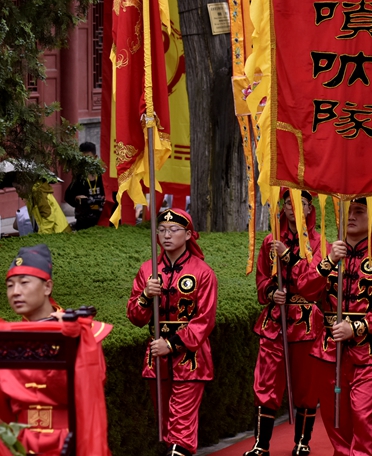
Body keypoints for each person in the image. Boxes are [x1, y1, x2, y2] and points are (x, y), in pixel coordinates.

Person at [293, 198, 372, 456]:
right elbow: (305, 289)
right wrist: (330, 260)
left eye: (359, 211)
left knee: (363, 416)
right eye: (348, 211)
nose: (351, 216)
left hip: (370, 352)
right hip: (329, 350)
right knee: (335, 420)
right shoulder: (327, 253)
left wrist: (357, 328)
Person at [0, 244, 111, 456]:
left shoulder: (80, 332)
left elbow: (92, 387)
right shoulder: (9, 338)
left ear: (47, 287)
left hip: (68, 439)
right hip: (19, 442)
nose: (15, 292)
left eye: (24, 283)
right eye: (10, 285)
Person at [127, 208, 218, 456]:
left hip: (190, 358)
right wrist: (146, 295)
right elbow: (135, 317)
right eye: (162, 230)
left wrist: (172, 344)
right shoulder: (148, 270)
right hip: (157, 358)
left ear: (188, 235)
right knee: (166, 425)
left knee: (181, 428)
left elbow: (205, 320)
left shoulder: (203, 272)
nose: (166, 235)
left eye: (174, 230)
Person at [244, 189, 322, 456]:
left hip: (305, 321)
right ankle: (260, 444)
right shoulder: (270, 241)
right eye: (289, 202)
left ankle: (302, 441)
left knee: (306, 385)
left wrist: (289, 256)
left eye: (301, 202)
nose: (294, 207)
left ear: (310, 209)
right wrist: (270, 292)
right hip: (275, 321)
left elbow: (314, 282)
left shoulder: (318, 243)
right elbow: (262, 277)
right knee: (265, 382)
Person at [64, 142, 106, 230]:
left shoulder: (103, 176)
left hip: (102, 220)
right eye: (83, 159)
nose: (86, 162)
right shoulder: (79, 177)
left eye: (89, 158)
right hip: (83, 221)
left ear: (95, 157)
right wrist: (76, 198)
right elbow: (68, 196)